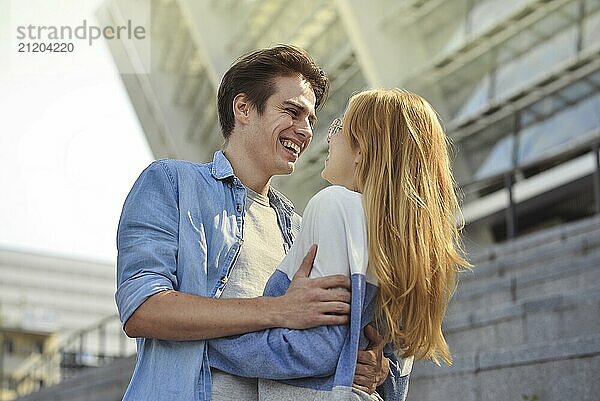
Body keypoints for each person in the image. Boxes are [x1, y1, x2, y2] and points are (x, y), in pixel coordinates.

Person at [115, 45, 390, 401]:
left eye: (310, 119)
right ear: (243, 108)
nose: (305, 131)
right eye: (292, 112)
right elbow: (143, 309)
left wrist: (367, 363)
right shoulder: (171, 183)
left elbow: (313, 339)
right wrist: (276, 309)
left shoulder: (299, 224)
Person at [208, 88, 471, 400]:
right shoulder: (407, 247)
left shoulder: (335, 205)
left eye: (339, 128)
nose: (329, 138)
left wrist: (210, 343)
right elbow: (396, 383)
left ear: (362, 150)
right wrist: (374, 367)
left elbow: (317, 350)